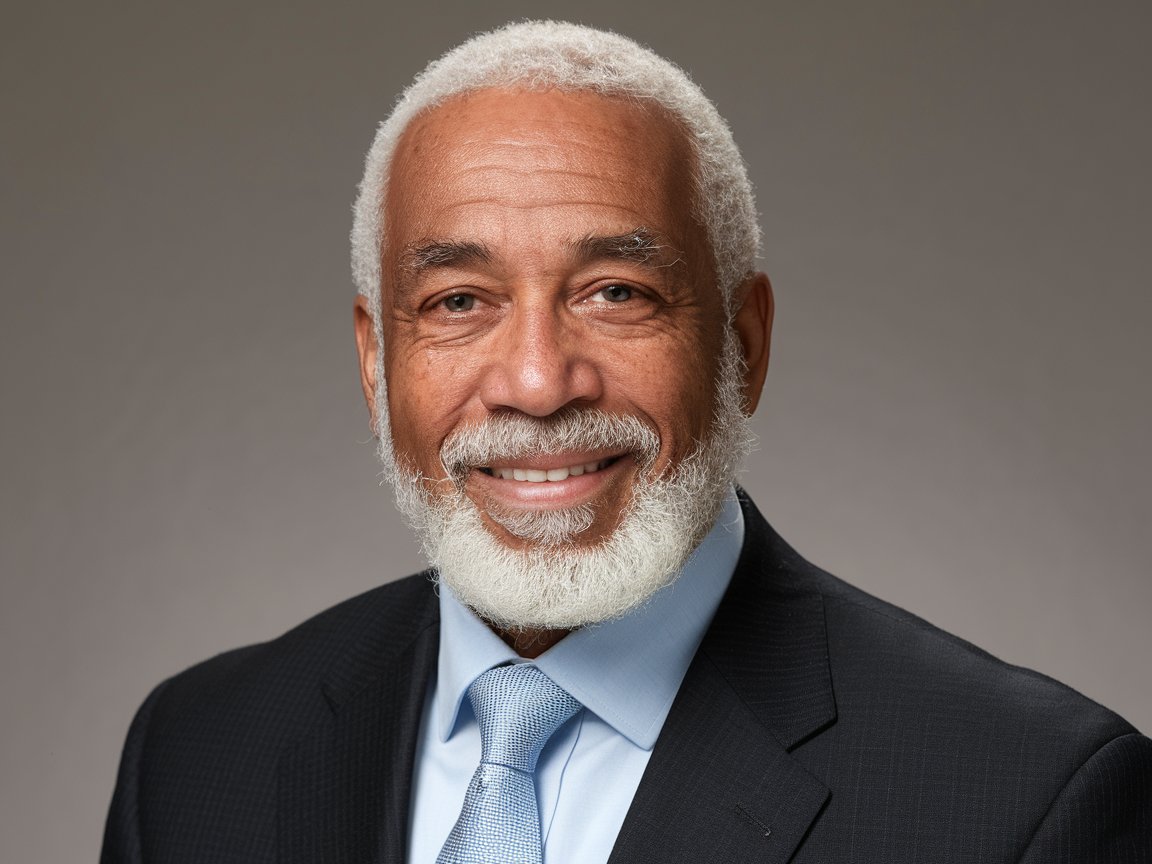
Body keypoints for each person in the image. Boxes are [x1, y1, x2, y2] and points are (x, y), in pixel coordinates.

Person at [101, 21, 1150, 863]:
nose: (536, 382)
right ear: (377, 362)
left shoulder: (1030, 804)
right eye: (459, 300)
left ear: (742, 344)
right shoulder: (197, 756)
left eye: (617, 293)